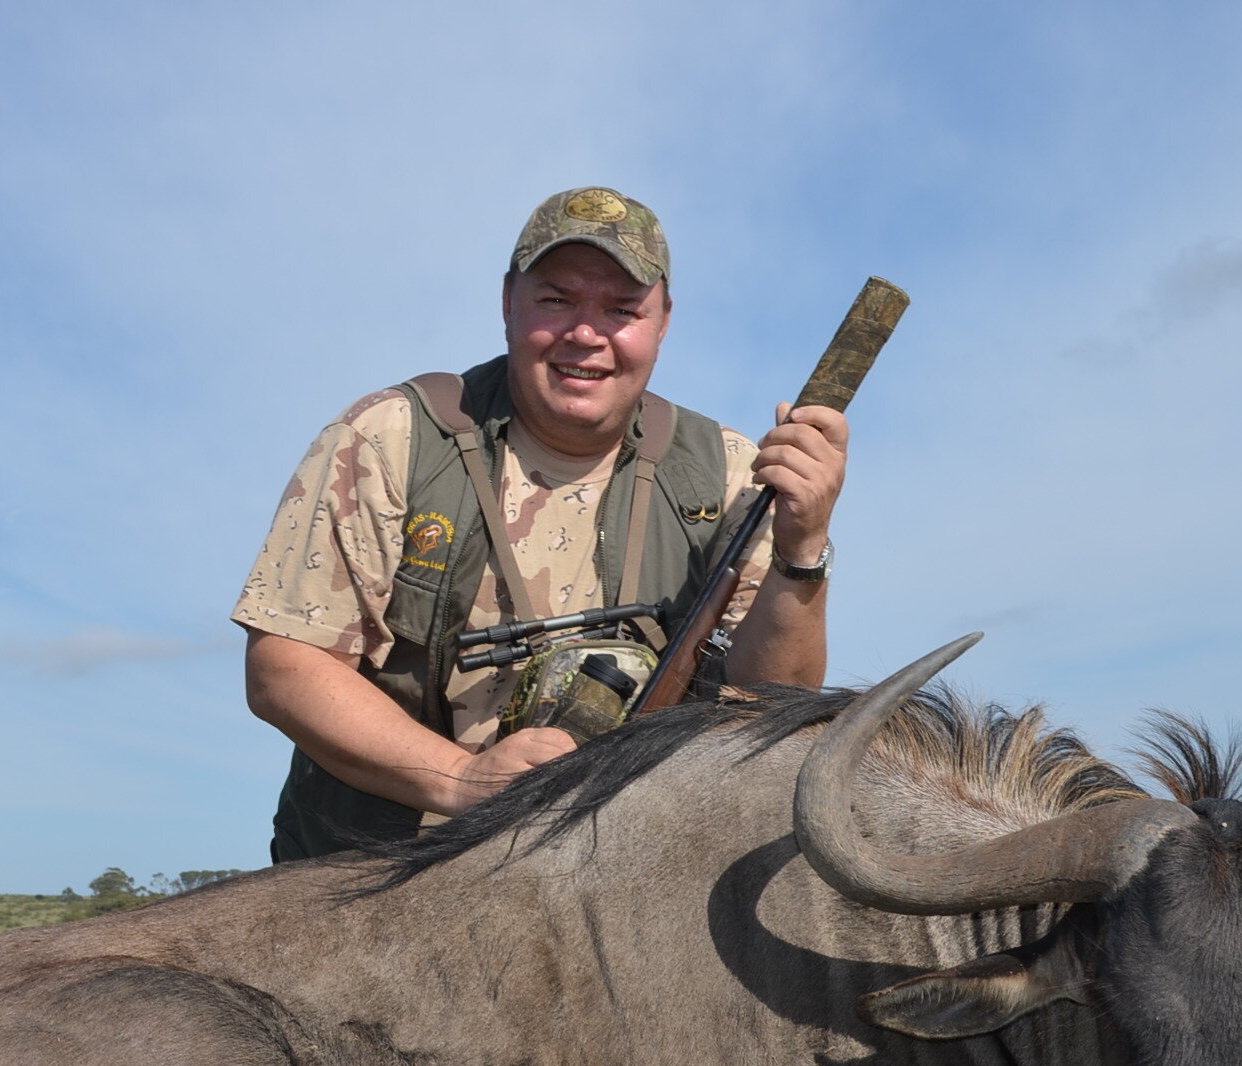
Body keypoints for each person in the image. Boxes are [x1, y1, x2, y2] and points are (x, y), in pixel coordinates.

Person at [233, 186, 849, 862]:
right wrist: (462, 779)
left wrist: (802, 547)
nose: (585, 334)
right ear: (508, 302)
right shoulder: (390, 437)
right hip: (377, 885)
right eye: (556, 301)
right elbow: (286, 667)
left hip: (609, 888)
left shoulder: (733, 475)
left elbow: (765, 708)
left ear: (663, 322)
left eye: (621, 309)